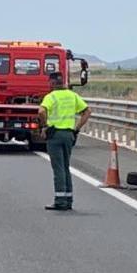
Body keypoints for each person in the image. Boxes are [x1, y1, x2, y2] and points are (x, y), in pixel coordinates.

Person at [38, 72, 92, 211]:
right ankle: (68, 200)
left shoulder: (51, 97)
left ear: (52, 83)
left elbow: (41, 111)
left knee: (58, 168)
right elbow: (87, 111)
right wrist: (77, 129)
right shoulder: (72, 95)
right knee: (66, 166)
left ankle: (60, 201)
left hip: (55, 134)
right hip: (69, 134)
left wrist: (45, 126)